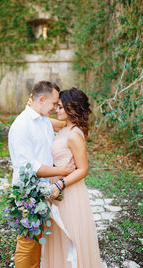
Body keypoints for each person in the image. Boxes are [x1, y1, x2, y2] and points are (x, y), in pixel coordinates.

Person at [8, 81, 75, 268]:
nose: (55, 108)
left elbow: (63, 124)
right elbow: (32, 167)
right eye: (54, 103)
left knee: (37, 237)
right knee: (27, 241)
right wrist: (64, 171)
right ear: (42, 99)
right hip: (27, 192)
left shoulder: (42, 118)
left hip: (43, 188)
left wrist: (77, 117)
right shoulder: (22, 125)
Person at [41, 87, 104, 268]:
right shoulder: (64, 126)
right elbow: (44, 120)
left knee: (69, 237)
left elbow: (83, 169)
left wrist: (59, 184)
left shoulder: (74, 134)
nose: (56, 110)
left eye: (60, 107)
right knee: (58, 237)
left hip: (68, 191)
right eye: (57, 106)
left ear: (72, 109)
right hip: (57, 188)